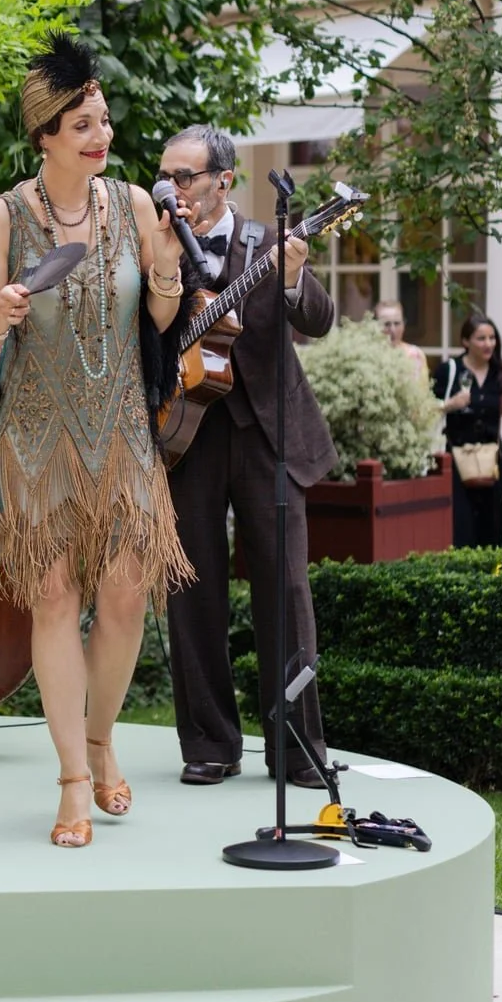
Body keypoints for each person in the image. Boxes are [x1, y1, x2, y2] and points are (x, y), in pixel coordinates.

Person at [0, 34, 193, 848]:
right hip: (36, 433)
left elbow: (159, 320)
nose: (102, 135)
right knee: (54, 597)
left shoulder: (129, 204)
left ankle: (99, 736)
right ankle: (71, 779)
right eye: (83, 124)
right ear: (47, 133)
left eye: (104, 120)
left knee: (126, 594)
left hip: (122, 431)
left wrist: (165, 266)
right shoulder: (4, 215)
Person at [159, 125, 334, 790]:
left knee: (286, 591)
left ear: (223, 181)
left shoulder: (268, 240)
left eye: (183, 178)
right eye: (165, 176)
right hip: (186, 431)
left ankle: (296, 747)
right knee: (191, 588)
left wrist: (291, 282)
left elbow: (318, 319)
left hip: (268, 435)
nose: (169, 190)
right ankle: (208, 744)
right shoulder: (160, 244)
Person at [435, 311, 502, 549]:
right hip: (456, 462)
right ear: (466, 341)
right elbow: (424, 410)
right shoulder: (449, 371)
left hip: (492, 463)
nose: (488, 344)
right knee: (460, 530)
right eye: (481, 338)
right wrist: (451, 405)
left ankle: (491, 582)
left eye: (492, 338)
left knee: (492, 530)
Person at [375, 301, 429, 380]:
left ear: (404, 324)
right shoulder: (368, 356)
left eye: (397, 323)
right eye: (386, 324)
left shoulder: (416, 355)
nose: (392, 330)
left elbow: (424, 390)